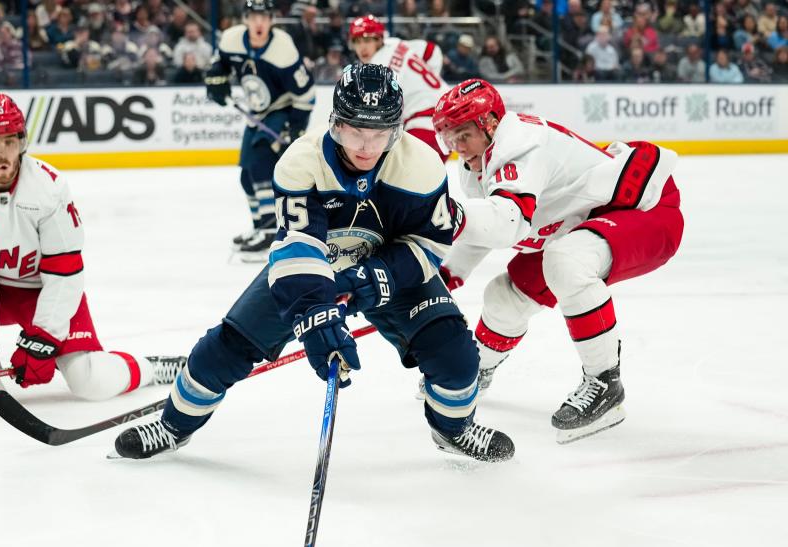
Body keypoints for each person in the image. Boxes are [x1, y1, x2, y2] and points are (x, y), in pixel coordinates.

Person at [112, 64, 515, 463]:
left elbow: (429, 243)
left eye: (380, 134)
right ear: (335, 123)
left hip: (390, 271)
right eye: (355, 131)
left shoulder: (421, 167)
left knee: (456, 357)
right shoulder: (301, 162)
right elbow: (298, 248)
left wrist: (377, 276)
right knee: (224, 349)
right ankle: (173, 426)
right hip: (312, 269)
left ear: (398, 129)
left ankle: (454, 430)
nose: (366, 147)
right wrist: (316, 312)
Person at [432, 79, 684, 444]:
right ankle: (472, 373)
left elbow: (506, 224)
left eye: (463, 135)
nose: (457, 147)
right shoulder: (478, 161)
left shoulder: (520, 147)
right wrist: (447, 274)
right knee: (504, 297)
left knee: (566, 261)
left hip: (646, 210)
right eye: (449, 138)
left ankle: (605, 383)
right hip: (579, 223)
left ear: (489, 123)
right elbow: (484, 227)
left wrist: (444, 214)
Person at [0, 95, 186, 405]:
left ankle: (151, 368)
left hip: (43, 291)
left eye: (9, 141)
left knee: (90, 383)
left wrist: (45, 336)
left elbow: (64, 272)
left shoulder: (49, 187)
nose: (3, 153)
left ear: (22, 141)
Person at [204, 0, 315, 258]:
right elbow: (219, 63)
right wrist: (216, 79)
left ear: (272, 20)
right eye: (254, 17)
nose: (259, 23)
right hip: (257, 113)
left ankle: (269, 232)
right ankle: (258, 227)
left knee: (261, 161)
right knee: (246, 175)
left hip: (283, 108)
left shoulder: (282, 49)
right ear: (245, 19)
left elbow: (306, 94)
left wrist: (295, 127)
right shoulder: (231, 40)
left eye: (264, 17)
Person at [349, 14, 449, 161]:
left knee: (407, 175)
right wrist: (425, 84)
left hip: (424, 121)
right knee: (427, 177)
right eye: (357, 41)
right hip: (448, 107)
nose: (362, 47)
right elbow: (432, 52)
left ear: (379, 39)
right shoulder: (396, 43)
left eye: (368, 40)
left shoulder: (374, 70)